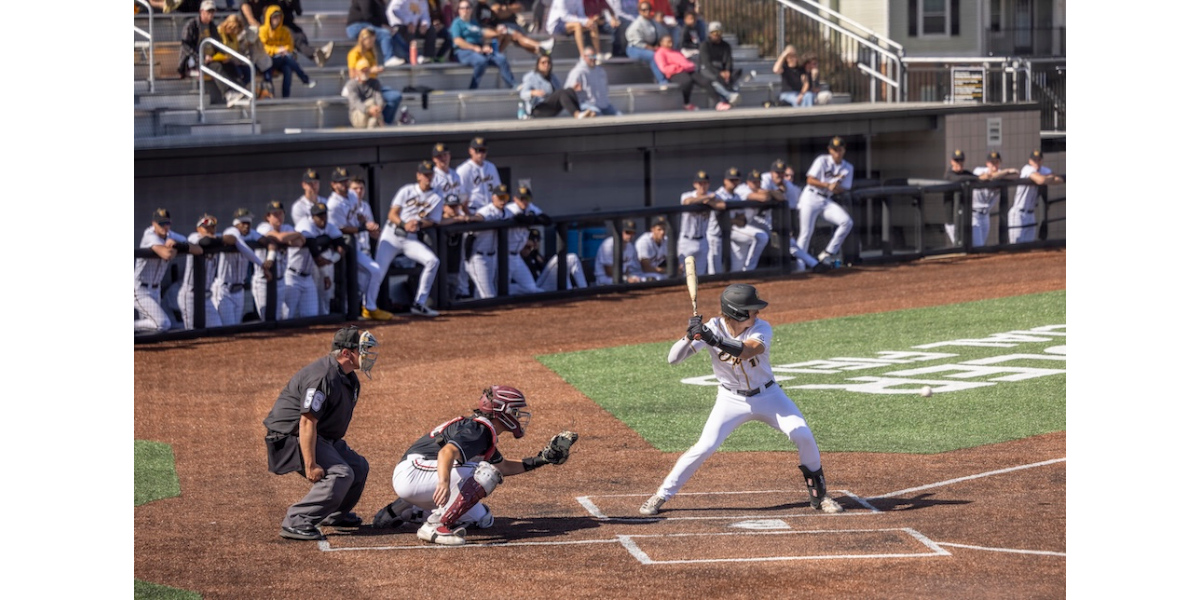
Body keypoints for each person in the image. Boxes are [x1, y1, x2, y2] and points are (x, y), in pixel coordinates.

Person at [639, 284, 845, 516]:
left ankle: (821, 497)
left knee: (802, 434)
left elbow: (748, 350)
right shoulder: (712, 328)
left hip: (769, 396)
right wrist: (690, 336)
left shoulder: (761, 328)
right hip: (730, 399)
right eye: (752, 309)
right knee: (704, 446)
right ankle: (661, 495)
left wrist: (713, 340)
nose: (757, 313)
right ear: (737, 312)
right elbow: (673, 359)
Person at [371, 385, 576, 546]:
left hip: (418, 475)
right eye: (516, 411)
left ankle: (403, 510)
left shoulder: (482, 432)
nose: (520, 416)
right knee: (485, 474)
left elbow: (502, 466)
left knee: (482, 518)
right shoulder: (478, 430)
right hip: (415, 471)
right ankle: (434, 525)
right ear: (502, 412)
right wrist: (443, 482)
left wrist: (542, 460)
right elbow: (446, 452)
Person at [263, 326, 380, 541]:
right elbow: (307, 422)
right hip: (290, 436)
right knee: (341, 474)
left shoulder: (347, 376)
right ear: (346, 353)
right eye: (362, 350)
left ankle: (334, 515)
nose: (367, 355)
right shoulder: (322, 377)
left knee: (358, 467)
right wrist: (311, 464)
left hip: (319, 435)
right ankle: (296, 521)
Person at [375, 160, 444, 317]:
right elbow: (392, 214)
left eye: (430, 174)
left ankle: (419, 303)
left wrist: (418, 223)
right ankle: (366, 306)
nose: (428, 177)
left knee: (433, 261)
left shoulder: (437, 195)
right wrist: (404, 224)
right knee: (378, 271)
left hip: (410, 237)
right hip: (392, 234)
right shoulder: (406, 190)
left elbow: (434, 220)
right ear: (418, 175)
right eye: (425, 174)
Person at [327, 168, 392, 320]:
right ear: (333, 185)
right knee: (348, 281)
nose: (343, 184)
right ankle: (361, 310)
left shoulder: (351, 196)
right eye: (340, 182)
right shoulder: (333, 204)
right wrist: (364, 227)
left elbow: (357, 216)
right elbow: (341, 229)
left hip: (355, 245)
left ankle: (368, 308)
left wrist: (366, 223)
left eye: (345, 180)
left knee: (370, 274)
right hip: (340, 246)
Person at [136, 208, 203, 334]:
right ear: (153, 224)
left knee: (151, 330)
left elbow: (198, 250)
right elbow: (167, 254)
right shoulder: (149, 234)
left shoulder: (171, 235)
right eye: (160, 223)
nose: (164, 226)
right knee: (162, 324)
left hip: (156, 290)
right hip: (140, 288)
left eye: (166, 223)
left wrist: (178, 245)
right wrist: (174, 246)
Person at [797, 136, 855, 269]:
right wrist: (827, 185)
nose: (837, 152)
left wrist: (835, 188)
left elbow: (844, 188)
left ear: (844, 150)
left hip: (826, 199)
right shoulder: (822, 160)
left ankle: (828, 253)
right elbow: (810, 180)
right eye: (834, 149)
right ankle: (799, 268)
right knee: (806, 233)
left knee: (846, 222)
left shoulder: (848, 167)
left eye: (840, 149)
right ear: (830, 150)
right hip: (810, 197)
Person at [431, 142, 477, 299]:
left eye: (445, 155)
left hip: (456, 221)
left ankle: (461, 290)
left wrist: (468, 215)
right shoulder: (433, 177)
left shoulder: (455, 174)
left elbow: (463, 199)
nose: (443, 158)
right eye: (439, 156)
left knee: (459, 257)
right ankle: (440, 294)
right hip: (440, 223)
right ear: (434, 159)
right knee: (440, 258)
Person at [761, 159, 818, 271]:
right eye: (777, 172)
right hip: (755, 219)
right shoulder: (765, 178)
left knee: (789, 242)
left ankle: (814, 264)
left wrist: (790, 227)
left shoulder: (789, 186)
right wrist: (778, 192)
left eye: (782, 173)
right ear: (771, 172)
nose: (780, 175)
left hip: (772, 220)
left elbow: (791, 208)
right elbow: (763, 195)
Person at [213, 208, 266, 327]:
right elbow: (242, 246)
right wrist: (261, 264)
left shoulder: (251, 233)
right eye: (243, 223)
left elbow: (266, 241)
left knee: (236, 326)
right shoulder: (231, 231)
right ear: (236, 224)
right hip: (224, 289)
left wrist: (270, 256)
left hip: (239, 290)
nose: (246, 226)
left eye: (248, 222)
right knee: (228, 327)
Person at [241, 0, 333, 67]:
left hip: (284, 23)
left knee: (299, 34)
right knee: (294, 36)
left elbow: (299, 11)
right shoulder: (251, 3)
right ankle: (314, 54)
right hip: (267, 27)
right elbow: (253, 15)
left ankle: (314, 54)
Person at [254, 200, 306, 320]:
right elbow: (279, 237)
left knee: (279, 318)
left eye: (281, 213)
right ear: (268, 216)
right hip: (263, 281)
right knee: (266, 318)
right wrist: (296, 234)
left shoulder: (287, 227)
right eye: (275, 214)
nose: (279, 217)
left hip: (281, 280)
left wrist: (291, 237)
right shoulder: (263, 227)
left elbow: (299, 242)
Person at [450, 1, 518, 90]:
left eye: (467, 8)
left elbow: (482, 35)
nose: (465, 10)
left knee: (501, 59)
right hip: (463, 51)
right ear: (458, 10)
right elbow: (457, 41)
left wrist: (486, 45)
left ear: (471, 10)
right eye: (462, 8)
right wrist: (473, 48)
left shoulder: (474, 23)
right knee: (481, 61)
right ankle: (472, 88)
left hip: (478, 49)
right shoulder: (457, 23)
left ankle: (513, 85)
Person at [296, 202, 347, 316]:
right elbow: (314, 250)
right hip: (297, 270)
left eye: (324, 215)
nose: (323, 219)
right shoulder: (305, 224)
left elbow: (341, 245)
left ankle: (324, 320)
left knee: (324, 295)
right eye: (319, 216)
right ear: (312, 217)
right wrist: (326, 274)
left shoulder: (329, 226)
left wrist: (331, 260)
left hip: (310, 269)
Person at [347, 28, 405, 126]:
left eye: (373, 40)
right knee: (371, 101)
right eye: (370, 40)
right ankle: (376, 119)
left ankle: (385, 120)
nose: (372, 43)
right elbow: (352, 75)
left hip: (373, 84)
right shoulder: (354, 54)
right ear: (364, 39)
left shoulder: (371, 52)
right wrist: (369, 71)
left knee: (395, 96)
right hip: (361, 86)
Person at [463, 185, 513, 298]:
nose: (503, 200)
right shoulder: (487, 210)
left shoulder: (507, 212)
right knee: (489, 295)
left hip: (493, 257)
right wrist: (470, 218)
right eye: (500, 197)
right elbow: (480, 216)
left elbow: (516, 216)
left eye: (505, 197)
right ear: (493, 197)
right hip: (477, 257)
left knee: (480, 294)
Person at [177, 214, 224, 329]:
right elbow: (206, 242)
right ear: (198, 229)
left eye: (212, 228)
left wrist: (220, 239)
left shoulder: (216, 238)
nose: (210, 231)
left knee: (217, 329)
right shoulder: (194, 237)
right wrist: (221, 239)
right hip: (190, 295)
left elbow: (231, 239)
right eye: (206, 228)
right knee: (193, 333)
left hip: (206, 297)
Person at [505, 185, 555, 294]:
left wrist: (534, 217)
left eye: (526, 199)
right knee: (501, 290)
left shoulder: (530, 207)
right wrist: (532, 217)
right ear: (515, 199)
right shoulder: (510, 208)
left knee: (531, 289)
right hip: (504, 256)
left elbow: (547, 220)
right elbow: (522, 218)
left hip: (517, 257)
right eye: (521, 199)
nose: (524, 202)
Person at [1008, 150, 1063, 244]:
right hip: (1018, 213)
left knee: (1030, 247)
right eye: (1034, 160)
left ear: (1042, 161)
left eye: (1039, 160)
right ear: (1030, 161)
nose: (1036, 162)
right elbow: (1041, 180)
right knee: (1016, 247)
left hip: (1031, 214)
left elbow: (1059, 179)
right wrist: (1049, 178)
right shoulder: (1027, 168)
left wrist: (1047, 178)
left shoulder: (1042, 170)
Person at [260, 5, 316, 98]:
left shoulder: (285, 30)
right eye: (274, 17)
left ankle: (286, 96)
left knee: (287, 68)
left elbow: (290, 45)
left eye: (278, 17)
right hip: (267, 59)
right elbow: (263, 47)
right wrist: (276, 50)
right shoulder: (263, 30)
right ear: (269, 18)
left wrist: (285, 50)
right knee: (288, 58)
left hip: (281, 58)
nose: (276, 19)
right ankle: (305, 79)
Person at [654, 34, 722, 111]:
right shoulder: (660, 53)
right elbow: (664, 68)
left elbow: (686, 62)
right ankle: (687, 103)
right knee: (687, 81)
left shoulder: (676, 51)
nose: (671, 44)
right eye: (668, 42)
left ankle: (718, 103)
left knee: (705, 81)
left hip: (687, 70)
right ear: (662, 43)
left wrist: (688, 66)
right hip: (675, 73)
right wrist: (678, 67)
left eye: (671, 41)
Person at [723, 167, 771, 272]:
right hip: (733, 227)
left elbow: (777, 196)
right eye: (754, 182)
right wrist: (766, 192)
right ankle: (750, 270)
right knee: (761, 237)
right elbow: (764, 198)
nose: (756, 184)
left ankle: (740, 278)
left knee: (737, 268)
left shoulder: (757, 191)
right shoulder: (742, 189)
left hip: (744, 228)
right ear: (748, 182)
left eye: (758, 182)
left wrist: (766, 192)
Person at [678, 169, 724, 276]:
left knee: (700, 275)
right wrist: (707, 198)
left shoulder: (713, 196)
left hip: (703, 240)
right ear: (695, 184)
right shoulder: (687, 195)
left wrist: (710, 201)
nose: (702, 186)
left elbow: (722, 205)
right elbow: (687, 202)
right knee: (684, 274)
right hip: (686, 241)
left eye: (705, 183)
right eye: (700, 183)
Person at [520, 54, 594, 119]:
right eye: (543, 62)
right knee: (562, 92)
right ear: (538, 64)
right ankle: (577, 114)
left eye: (548, 62)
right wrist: (532, 92)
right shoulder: (531, 77)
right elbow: (522, 94)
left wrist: (572, 89)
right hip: (538, 108)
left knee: (569, 90)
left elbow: (561, 94)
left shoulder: (553, 77)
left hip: (551, 107)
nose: (546, 64)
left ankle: (580, 113)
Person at [474, 0, 553, 57]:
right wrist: (504, 10)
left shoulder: (487, 6)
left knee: (514, 36)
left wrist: (506, 9)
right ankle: (540, 46)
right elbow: (498, 12)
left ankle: (541, 51)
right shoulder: (475, 6)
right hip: (487, 32)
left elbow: (519, 7)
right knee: (514, 34)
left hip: (500, 29)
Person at [522, 227, 589, 291]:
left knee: (564, 265)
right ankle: (584, 291)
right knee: (570, 258)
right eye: (533, 240)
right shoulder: (523, 253)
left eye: (538, 240)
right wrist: (528, 247)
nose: (536, 242)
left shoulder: (538, 255)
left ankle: (580, 289)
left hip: (542, 285)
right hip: (534, 287)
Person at [348, 0, 408, 67]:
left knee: (394, 34)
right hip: (357, 26)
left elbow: (383, 19)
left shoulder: (379, 2)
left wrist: (389, 27)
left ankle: (410, 56)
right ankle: (388, 58)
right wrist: (381, 26)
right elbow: (367, 15)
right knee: (385, 33)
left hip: (370, 25)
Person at [697, 21, 740, 108]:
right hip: (707, 69)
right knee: (714, 78)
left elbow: (728, 60)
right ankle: (729, 96)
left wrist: (727, 70)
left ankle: (729, 98)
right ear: (709, 34)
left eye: (718, 32)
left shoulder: (726, 45)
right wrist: (719, 73)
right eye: (714, 32)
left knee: (734, 76)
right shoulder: (704, 45)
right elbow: (706, 63)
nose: (716, 35)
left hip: (721, 68)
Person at [565, 48, 621, 115]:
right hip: (586, 105)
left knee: (620, 116)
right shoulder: (577, 72)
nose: (593, 59)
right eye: (590, 56)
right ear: (584, 57)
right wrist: (574, 89)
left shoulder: (600, 71)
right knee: (599, 116)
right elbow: (567, 92)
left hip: (604, 105)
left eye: (594, 56)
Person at [625, 2, 669, 84]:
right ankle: (663, 81)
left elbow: (663, 34)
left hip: (651, 46)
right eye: (644, 10)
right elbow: (637, 42)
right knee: (653, 56)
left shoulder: (654, 22)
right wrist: (653, 49)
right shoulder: (636, 24)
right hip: (635, 48)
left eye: (649, 9)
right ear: (640, 11)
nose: (647, 12)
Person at [456, 136, 502, 214]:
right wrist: (467, 213)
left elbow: (498, 189)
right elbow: (460, 195)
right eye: (477, 150)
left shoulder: (491, 167)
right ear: (470, 151)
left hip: (491, 210)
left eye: (483, 150)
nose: (480, 154)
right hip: (473, 210)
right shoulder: (463, 169)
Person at [941, 149, 978, 246]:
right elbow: (958, 179)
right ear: (952, 161)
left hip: (964, 218)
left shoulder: (966, 174)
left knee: (969, 245)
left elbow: (981, 178)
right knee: (960, 245)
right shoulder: (948, 174)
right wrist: (976, 178)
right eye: (956, 161)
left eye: (961, 160)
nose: (959, 163)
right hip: (951, 220)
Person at [176, 1, 219, 80]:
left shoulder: (212, 26)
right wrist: (202, 57)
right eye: (208, 11)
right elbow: (186, 46)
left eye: (213, 11)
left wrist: (221, 56)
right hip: (194, 60)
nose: (211, 14)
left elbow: (218, 44)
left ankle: (240, 89)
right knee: (218, 67)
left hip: (210, 58)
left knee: (230, 66)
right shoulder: (192, 25)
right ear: (201, 11)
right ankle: (228, 91)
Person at [594, 219, 643, 285]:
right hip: (604, 278)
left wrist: (630, 278)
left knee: (641, 280)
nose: (630, 236)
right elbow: (609, 271)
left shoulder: (630, 247)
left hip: (621, 277)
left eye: (632, 233)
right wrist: (626, 279)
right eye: (627, 232)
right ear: (621, 231)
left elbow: (627, 269)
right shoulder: (608, 244)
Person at [344, 59, 387, 128]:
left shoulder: (375, 82)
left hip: (373, 114)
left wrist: (379, 107)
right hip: (358, 115)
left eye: (366, 70)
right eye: (362, 70)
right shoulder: (351, 84)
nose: (364, 72)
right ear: (357, 71)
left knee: (374, 119)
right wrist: (369, 109)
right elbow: (356, 102)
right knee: (371, 102)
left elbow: (379, 97)